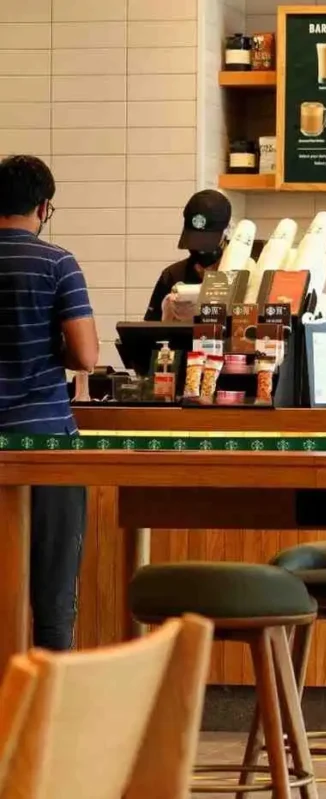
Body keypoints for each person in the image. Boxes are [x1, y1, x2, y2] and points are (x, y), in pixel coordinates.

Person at [0, 155, 98, 650]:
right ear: (43, 207)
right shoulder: (57, 263)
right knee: (53, 589)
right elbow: (85, 355)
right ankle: (50, 715)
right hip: (44, 442)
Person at [144, 189, 232, 321]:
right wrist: (168, 313)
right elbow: (148, 332)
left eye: (206, 243)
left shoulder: (243, 275)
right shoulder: (172, 275)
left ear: (226, 231)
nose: (200, 250)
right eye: (195, 242)